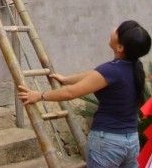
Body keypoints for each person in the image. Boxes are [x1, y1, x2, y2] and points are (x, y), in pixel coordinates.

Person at [18, 20, 151, 168]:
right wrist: (67, 79)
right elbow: (94, 75)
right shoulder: (135, 67)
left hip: (107, 142)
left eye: (118, 30)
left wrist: (40, 95)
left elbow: (70, 93)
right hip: (131, 141)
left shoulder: (111, 70)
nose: (114, 29)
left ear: (120, 47)